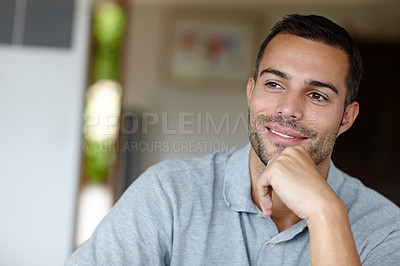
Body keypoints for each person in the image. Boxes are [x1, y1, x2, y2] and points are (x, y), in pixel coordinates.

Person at [67, 14, 400, 265]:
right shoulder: (168, 193)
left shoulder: (386, 228)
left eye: (316, 95)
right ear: (251, 92)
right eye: (274, 85)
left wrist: (327, 212)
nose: (289, 108)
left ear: (347, 117)